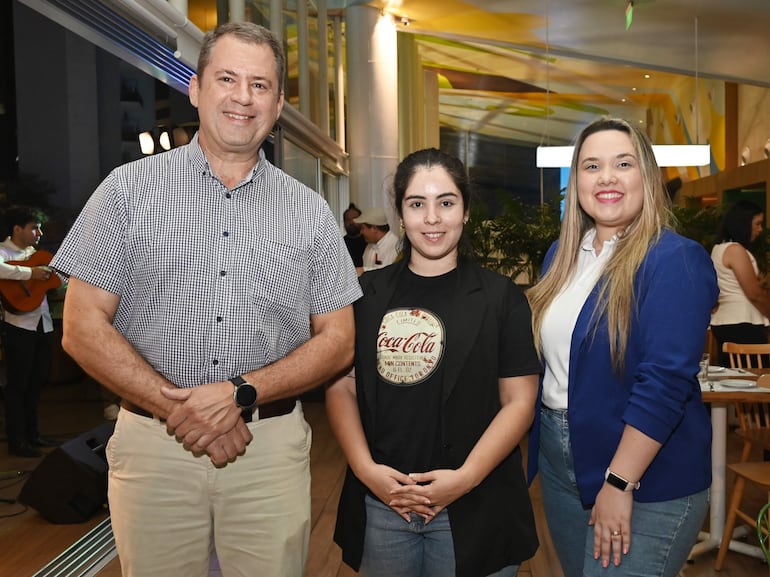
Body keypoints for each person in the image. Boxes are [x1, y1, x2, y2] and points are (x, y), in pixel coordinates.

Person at [50, 22, 361, 577]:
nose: (243, 97)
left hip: (267, 450)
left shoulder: (310, 211)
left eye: (261, 85)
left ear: (279, 104)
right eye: (227, 79)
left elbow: (338, 341)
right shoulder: (126, 191)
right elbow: (81, 327)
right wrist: (184, 410)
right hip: (154, 448)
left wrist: (241, 393)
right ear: (195, 89)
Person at [327, 148, 541, 577]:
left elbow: (519, 401)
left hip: (477, 501)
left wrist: (465, 477)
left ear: (464, 211)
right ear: (400, 216)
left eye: (446, 202)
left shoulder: (501, 298)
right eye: (416, 204)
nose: (432, 218)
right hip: (385, 503)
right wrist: (367, 471)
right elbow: (342, 386)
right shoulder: (366, 295)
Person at [526, 117, 718, 577]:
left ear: (647, 177)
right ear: (577, 184)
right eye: (591, 166)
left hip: (645, 473)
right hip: (559, 462)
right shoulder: (560, 257)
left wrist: (618, 482)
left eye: (623, 163)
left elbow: (666, 383)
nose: (606, 176)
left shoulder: (674, 260)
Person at [0, 205, 57, 458]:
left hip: (42, 324)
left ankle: (33, 434)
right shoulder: (2, 251)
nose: (39, 232)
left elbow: (60, 280)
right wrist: (30, 272)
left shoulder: (38, 254)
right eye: (34, 227)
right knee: (17, 385)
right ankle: (17, 440)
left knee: (36, 383)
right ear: (17, 229)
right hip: (18, 326)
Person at [710, 200, 770, 366]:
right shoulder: (735, 250)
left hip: (726, 322)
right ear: (743, 222)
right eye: (757, 223)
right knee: (756, 380)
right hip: (742, 323)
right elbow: (754, 294)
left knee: (733, 380)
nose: (760, 229)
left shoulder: (718, 249)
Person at [355, 206, 400, 271]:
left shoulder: (395, 247)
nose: (361, 232)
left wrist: (363, 270)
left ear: (374, 228)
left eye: (362, 228)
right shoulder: (370, 245)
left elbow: (388, 274)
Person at [343, 202, 367, 272]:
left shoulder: (368, 241)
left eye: (354, 219)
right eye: (348, 219)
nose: (351, 222)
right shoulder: (341, 243)